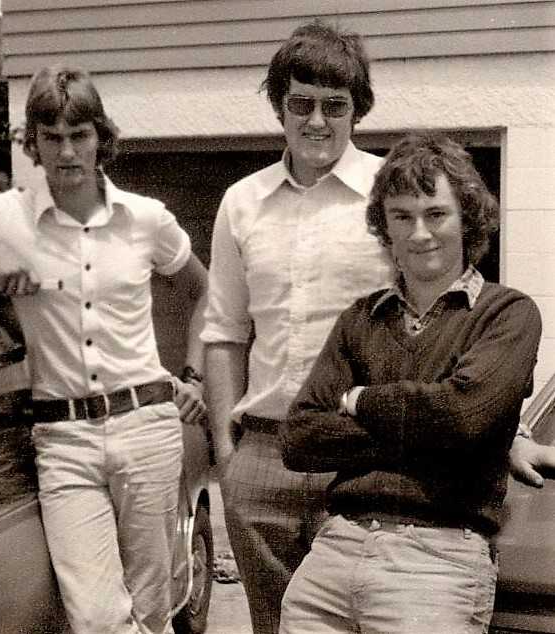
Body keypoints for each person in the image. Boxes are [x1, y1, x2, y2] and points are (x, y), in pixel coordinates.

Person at [202, 19, 555, 634]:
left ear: (357, 109)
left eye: (334, 105)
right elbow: (224, 333)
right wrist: (229, 457)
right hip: (269, 449)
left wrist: (502, 431)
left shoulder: (397, 191)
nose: (317, 120)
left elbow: (452, 323)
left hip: (374, 466)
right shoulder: (241, 202)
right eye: (301, 104)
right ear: (279, 106)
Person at [0, 65, 207, 634]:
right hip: (64, 441)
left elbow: (206, 292)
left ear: (101, 137)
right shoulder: (5, 216)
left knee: (152, 610)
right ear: (33, 142)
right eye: (51, 137)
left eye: (80, 135)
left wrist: (195, 376)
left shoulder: (145, 218)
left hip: (146, 428)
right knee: (96, 619)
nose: (67, 152)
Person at [278, 132, 542, 634]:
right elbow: (299, 438)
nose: (420, 233)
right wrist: (435, 431)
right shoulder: (360, 319)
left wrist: (359, 400)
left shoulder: (507, 314)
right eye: (402, 216)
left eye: (435, 214)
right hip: (333, 554)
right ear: (385, 227)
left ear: (467, 218)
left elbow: (462, 417)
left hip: (436, 561)